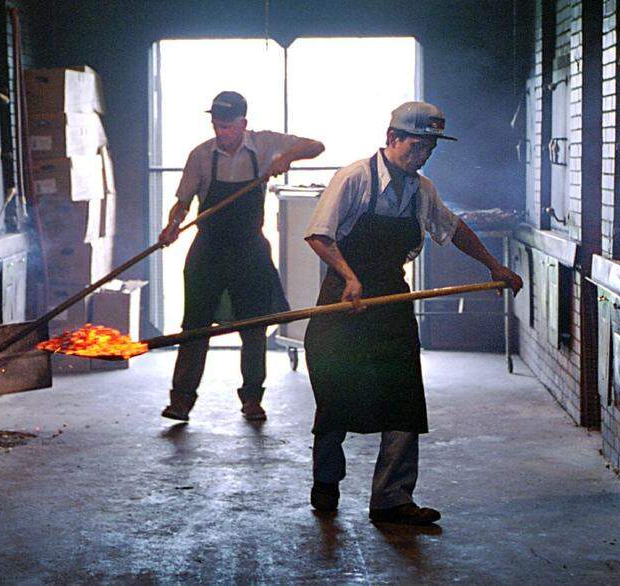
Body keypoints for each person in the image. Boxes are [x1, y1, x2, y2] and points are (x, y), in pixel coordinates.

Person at [302, 101, 523, 525]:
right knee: (335, 396)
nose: (422, 155)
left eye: (429, 149)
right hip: (343, 303)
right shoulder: (355, 178)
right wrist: (349, 277)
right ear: (392, 139)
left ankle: (392, 498)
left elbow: (453, 229)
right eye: (417, 146)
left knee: (404, 396)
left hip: (390, 301)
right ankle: (326, 482)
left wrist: (494, 266)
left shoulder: (422, 191)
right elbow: (319, 235)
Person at [158, 91, 325, 422]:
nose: (222, 132)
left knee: (253, 326)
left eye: (228, 127)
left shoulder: (263, 144)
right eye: (217, 126)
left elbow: (316, 145)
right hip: (209, 248)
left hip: (249, 249)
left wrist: (286, 157)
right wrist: (173, 224)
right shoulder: (202, 155)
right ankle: (181, 400)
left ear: (243, 123)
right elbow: (183, 201)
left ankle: (252, 399)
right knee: (195, 326)